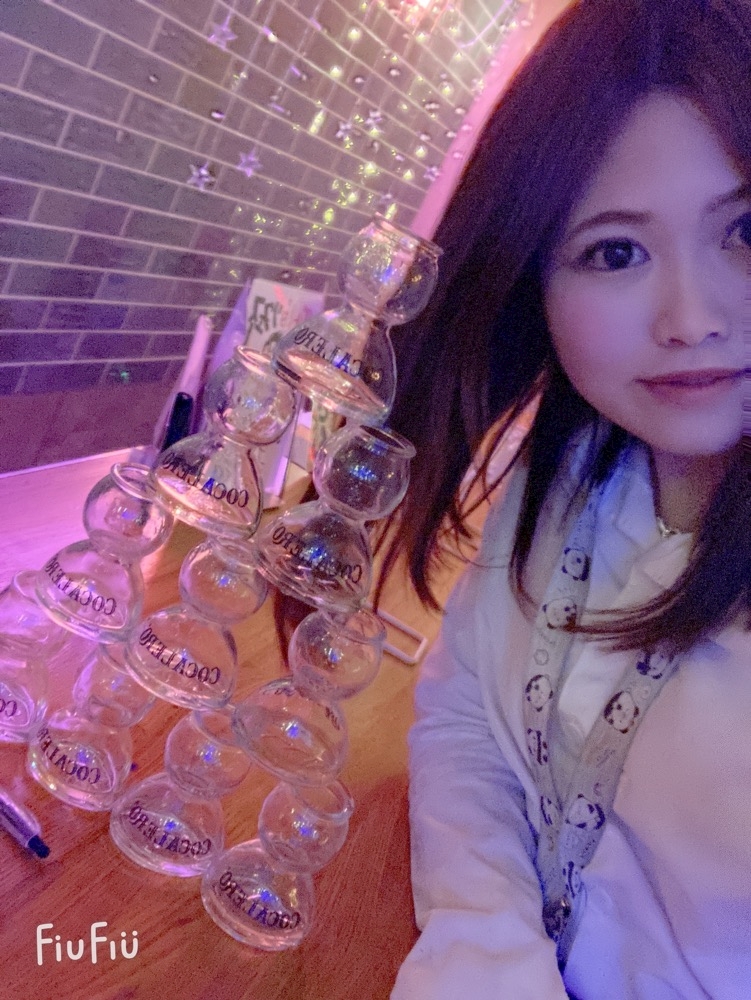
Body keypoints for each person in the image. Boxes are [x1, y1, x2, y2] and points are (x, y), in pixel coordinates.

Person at [385, 1, 751, 997]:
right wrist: (484, 953)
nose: (690, 319)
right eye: (615, 251)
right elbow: (465, 719)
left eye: (745, 229)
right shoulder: (570, 468)